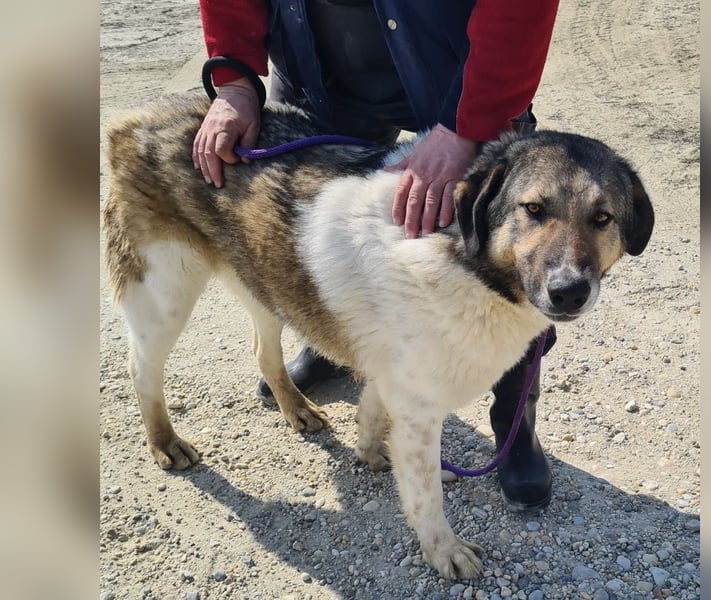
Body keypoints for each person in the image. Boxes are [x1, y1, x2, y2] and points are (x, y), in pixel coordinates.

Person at [194, 0, 560, 510]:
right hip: (314, 55)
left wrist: (468, 127)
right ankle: (338, 345)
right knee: (330, 229)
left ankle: (514, 424)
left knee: (500, 256)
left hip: (458, 61)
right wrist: (234, 78)